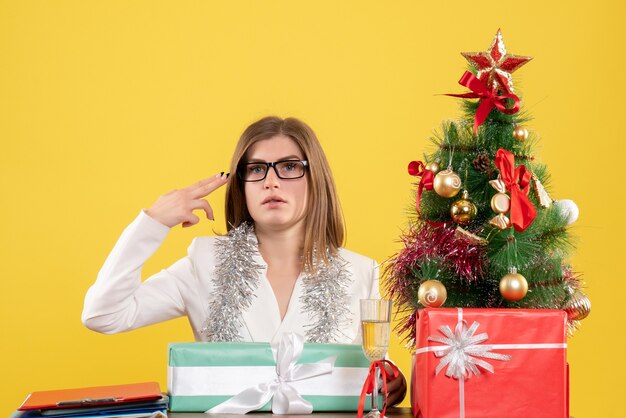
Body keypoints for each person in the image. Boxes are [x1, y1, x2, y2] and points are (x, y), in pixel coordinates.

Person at [82, 116, 406, 405]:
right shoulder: (205, 262)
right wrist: (153, 222)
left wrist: (394, 384)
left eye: (290, 166)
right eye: (256, 169)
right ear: (242, 185)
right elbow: (103, 314)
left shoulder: (361, 272)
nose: (271, 181)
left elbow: (376, 373)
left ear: (315, 178)